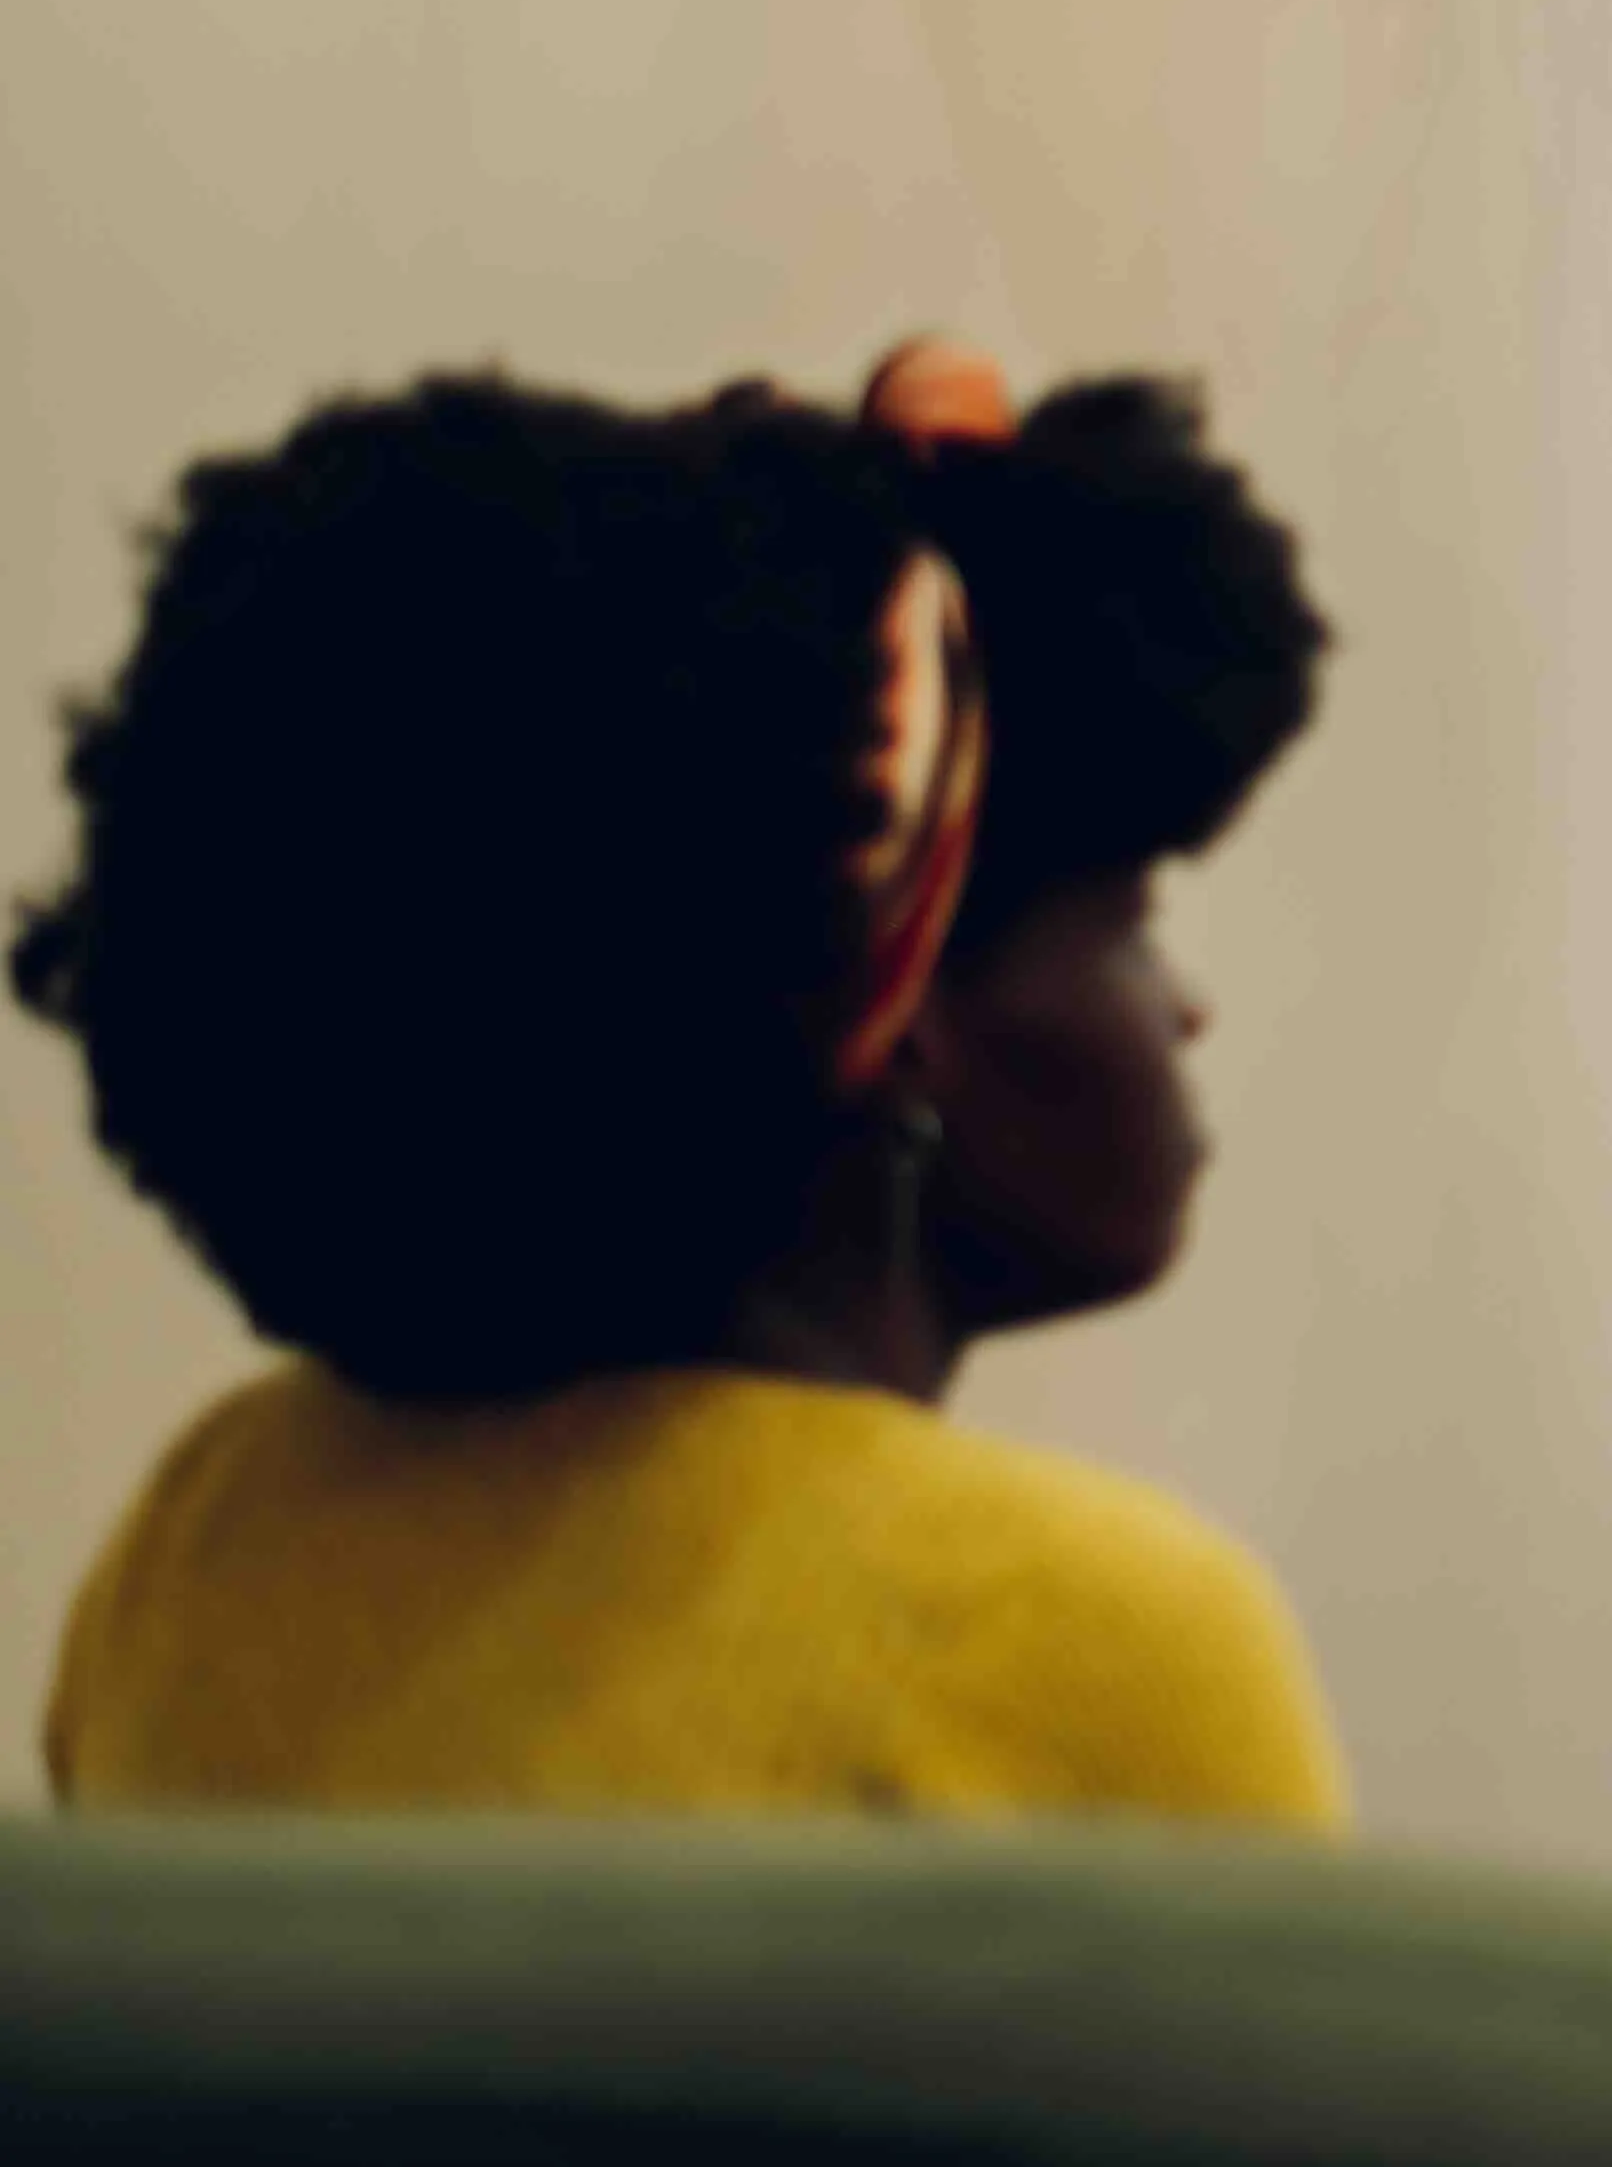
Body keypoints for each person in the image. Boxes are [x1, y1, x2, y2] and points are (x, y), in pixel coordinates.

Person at [27, 345, 1352, 1828]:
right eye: (1129, 922)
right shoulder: (1100, 1645)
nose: (1182, 1008)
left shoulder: (210, 1536)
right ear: (897, 1012)